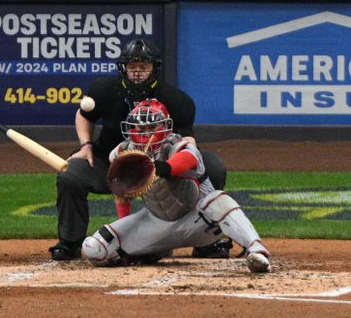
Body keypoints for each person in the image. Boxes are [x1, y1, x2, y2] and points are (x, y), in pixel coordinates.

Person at [49, 39, 229, 261]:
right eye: (132, 67)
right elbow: (84, 115)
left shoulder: (177, 100)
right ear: (123, 68)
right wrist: (86, 146)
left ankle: (208, 240)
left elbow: (188, 140)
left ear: (154, 69)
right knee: (71, 174)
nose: (136, 73)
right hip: (113, 164)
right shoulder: (104, 89)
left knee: (212, 167)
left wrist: (171, 167)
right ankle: (69, 242)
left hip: (163, 168)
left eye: (143, 68)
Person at [81, 98, 271, 274]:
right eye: (140, 128)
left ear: (164, 126)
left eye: (151, 126)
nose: (145, 132)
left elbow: (189, 159)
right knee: (94, 247)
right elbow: (122, 194)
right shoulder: (122, 154)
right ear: (131, 129)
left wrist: (164, 167)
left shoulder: (177, 144)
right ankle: (146, 253)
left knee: (218, 199)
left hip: (199, 220)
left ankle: (256, 251)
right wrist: (125, 228)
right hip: (156, 223)